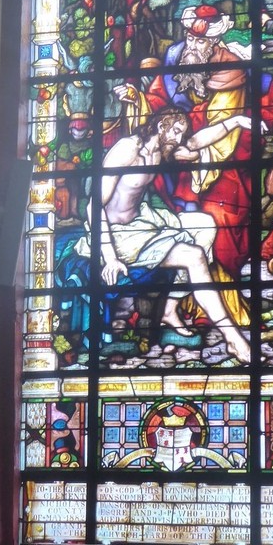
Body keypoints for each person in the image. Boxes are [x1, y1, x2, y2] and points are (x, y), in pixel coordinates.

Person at [112, 4, 273, 276]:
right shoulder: (176, 57)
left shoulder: (231, 72)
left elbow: (224, 124)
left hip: (217, 158)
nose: (192, 44)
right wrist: (138, 100)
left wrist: (197, 156)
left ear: (213, 41)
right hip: (172, 154)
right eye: (190, 37)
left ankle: (217, 297)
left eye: (200, 40)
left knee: (222, 216)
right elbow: (158, 103)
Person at [76, 109, 254, 361]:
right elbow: (94, 206)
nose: (182, 137)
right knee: (193, 256)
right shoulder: (128, 150)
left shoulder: (163, 150)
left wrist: (234, 121)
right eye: (177, 131)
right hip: (119, 236)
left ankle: (170, 307)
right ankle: (233, 338)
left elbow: (198, 142)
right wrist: (110, 256)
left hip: (145, 221)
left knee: (204, 226)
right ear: (162, 126)